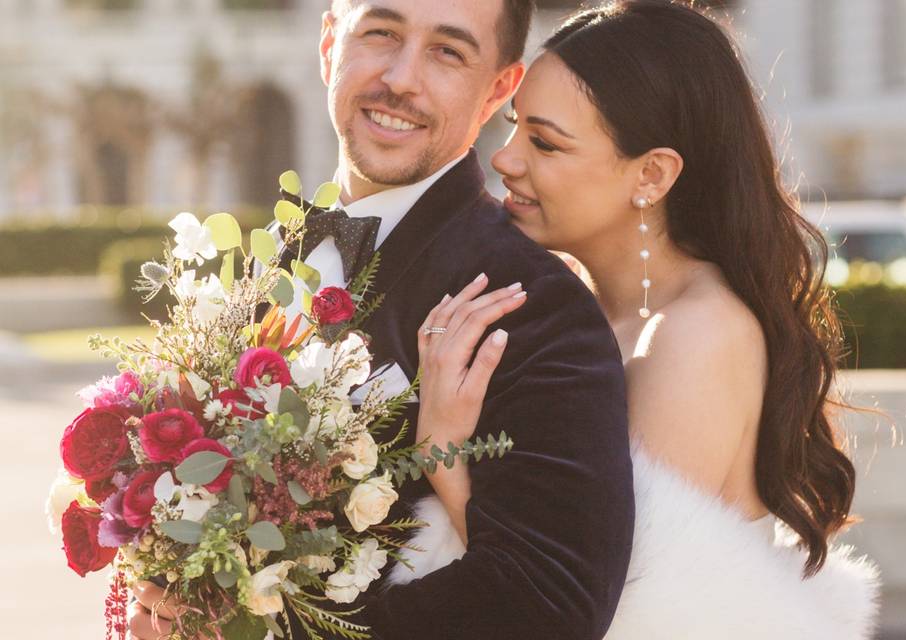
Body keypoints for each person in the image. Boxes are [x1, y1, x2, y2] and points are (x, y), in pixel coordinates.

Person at [128, 1, 635, 639]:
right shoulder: (265, 263)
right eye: (381, 33)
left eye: (448, 51)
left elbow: (549, 600)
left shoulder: (533, 304)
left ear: (498, 90)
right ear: (329, 43)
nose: (400, 78)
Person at [400, 1, 881, 638]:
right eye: (514, 127)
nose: (505, 160)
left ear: (651, 174)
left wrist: (445, 458)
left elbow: (604, 604)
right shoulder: (577, 310)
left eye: (545, 142)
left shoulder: (696, 336)